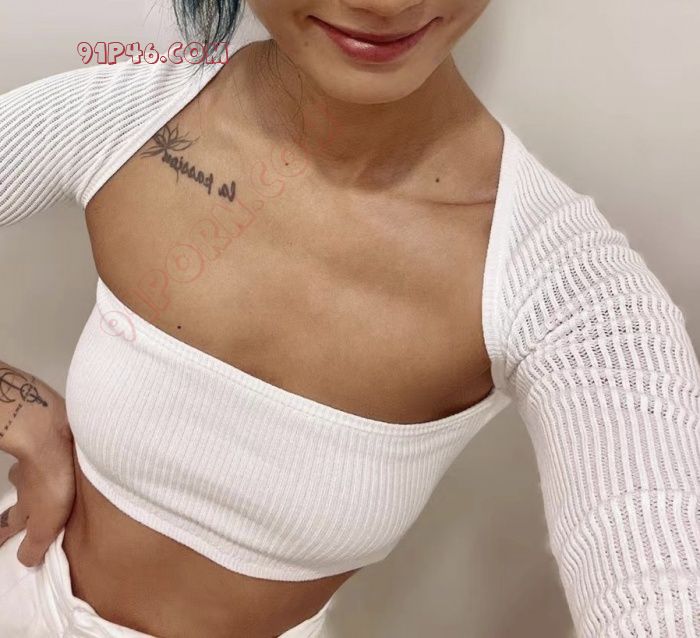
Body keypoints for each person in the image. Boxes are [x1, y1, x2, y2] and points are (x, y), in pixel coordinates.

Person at [1, 1, 699, 636]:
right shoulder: (121, 123)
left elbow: (656, 578)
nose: (387, 4)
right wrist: (16, 408)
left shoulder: (570, 294)